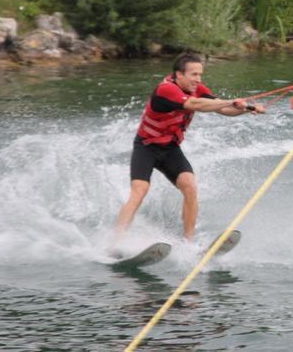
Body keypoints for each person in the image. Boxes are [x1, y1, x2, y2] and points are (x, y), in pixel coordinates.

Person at [112, 53, 265, 249]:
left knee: (190, 186)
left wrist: (247, 109)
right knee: (139, 192)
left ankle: (188, 244)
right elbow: (196, 105)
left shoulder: (197, 89)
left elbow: (223, 110)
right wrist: (231, 101)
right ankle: (116, 244)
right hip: (147, 148)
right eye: (194, 74)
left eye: (200, 75)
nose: (198, 80)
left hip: (170, 149)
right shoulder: (166, 90)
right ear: (179, 74)